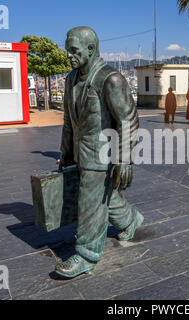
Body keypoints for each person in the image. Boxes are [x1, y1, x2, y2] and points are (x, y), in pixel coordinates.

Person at [56, 26, 144, 278]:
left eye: (74, 51)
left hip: (102, 153)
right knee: (105, 196)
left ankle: (86, 255)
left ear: (91, 50)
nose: (69, 56)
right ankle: (130, 220)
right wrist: (66, 150)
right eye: (68, 50)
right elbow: (68, 120)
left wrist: (125, 158)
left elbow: (128, 119)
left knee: (90, 203)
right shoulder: (71, 78)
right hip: (81, 153)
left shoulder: (110, 79)